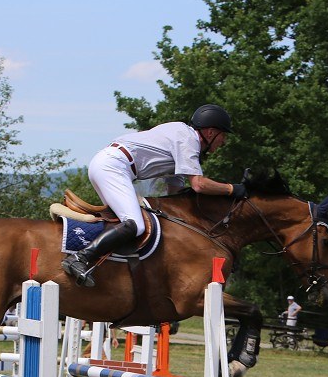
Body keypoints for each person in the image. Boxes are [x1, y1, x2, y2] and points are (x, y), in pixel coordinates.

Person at [61, 104, 244, 288]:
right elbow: (198, 184)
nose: (224, 141)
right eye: (223, 135)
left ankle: (111, 273)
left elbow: (175, 195)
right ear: (211, 133)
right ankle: (79, 257)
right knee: (135, 224)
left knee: (122, 224)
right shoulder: (189, 140)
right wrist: (232, 189)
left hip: (109, 163)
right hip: (113, 166)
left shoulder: (181, 138)